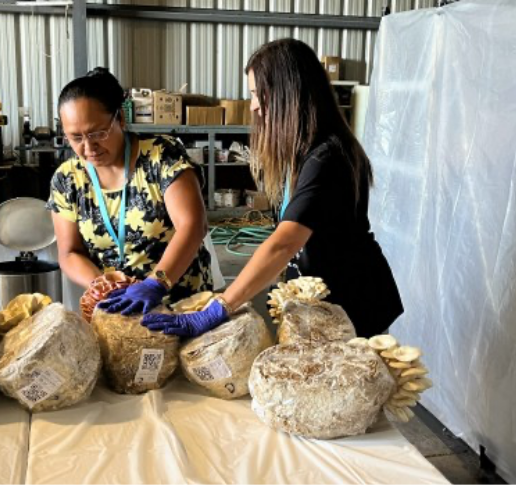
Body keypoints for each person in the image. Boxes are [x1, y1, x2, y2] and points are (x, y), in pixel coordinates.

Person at [143, 38, 403, 338]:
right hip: (322, 300)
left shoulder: (328, 157)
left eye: (257, 94)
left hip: (354, 303)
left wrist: (222, 306)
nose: (253, 105)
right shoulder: (304, 151)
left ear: (286, 93)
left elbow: (284, 243)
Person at [47, 67, 212, 315]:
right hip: (118, 311)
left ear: (121, 119)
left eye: (98, 133)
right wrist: (101, 285)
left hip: (181, 305)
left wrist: (157, 283)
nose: (89, 147)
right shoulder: (67, 179)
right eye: (75, 137)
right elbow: (70, 252)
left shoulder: (161, 156)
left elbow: (193, 226)